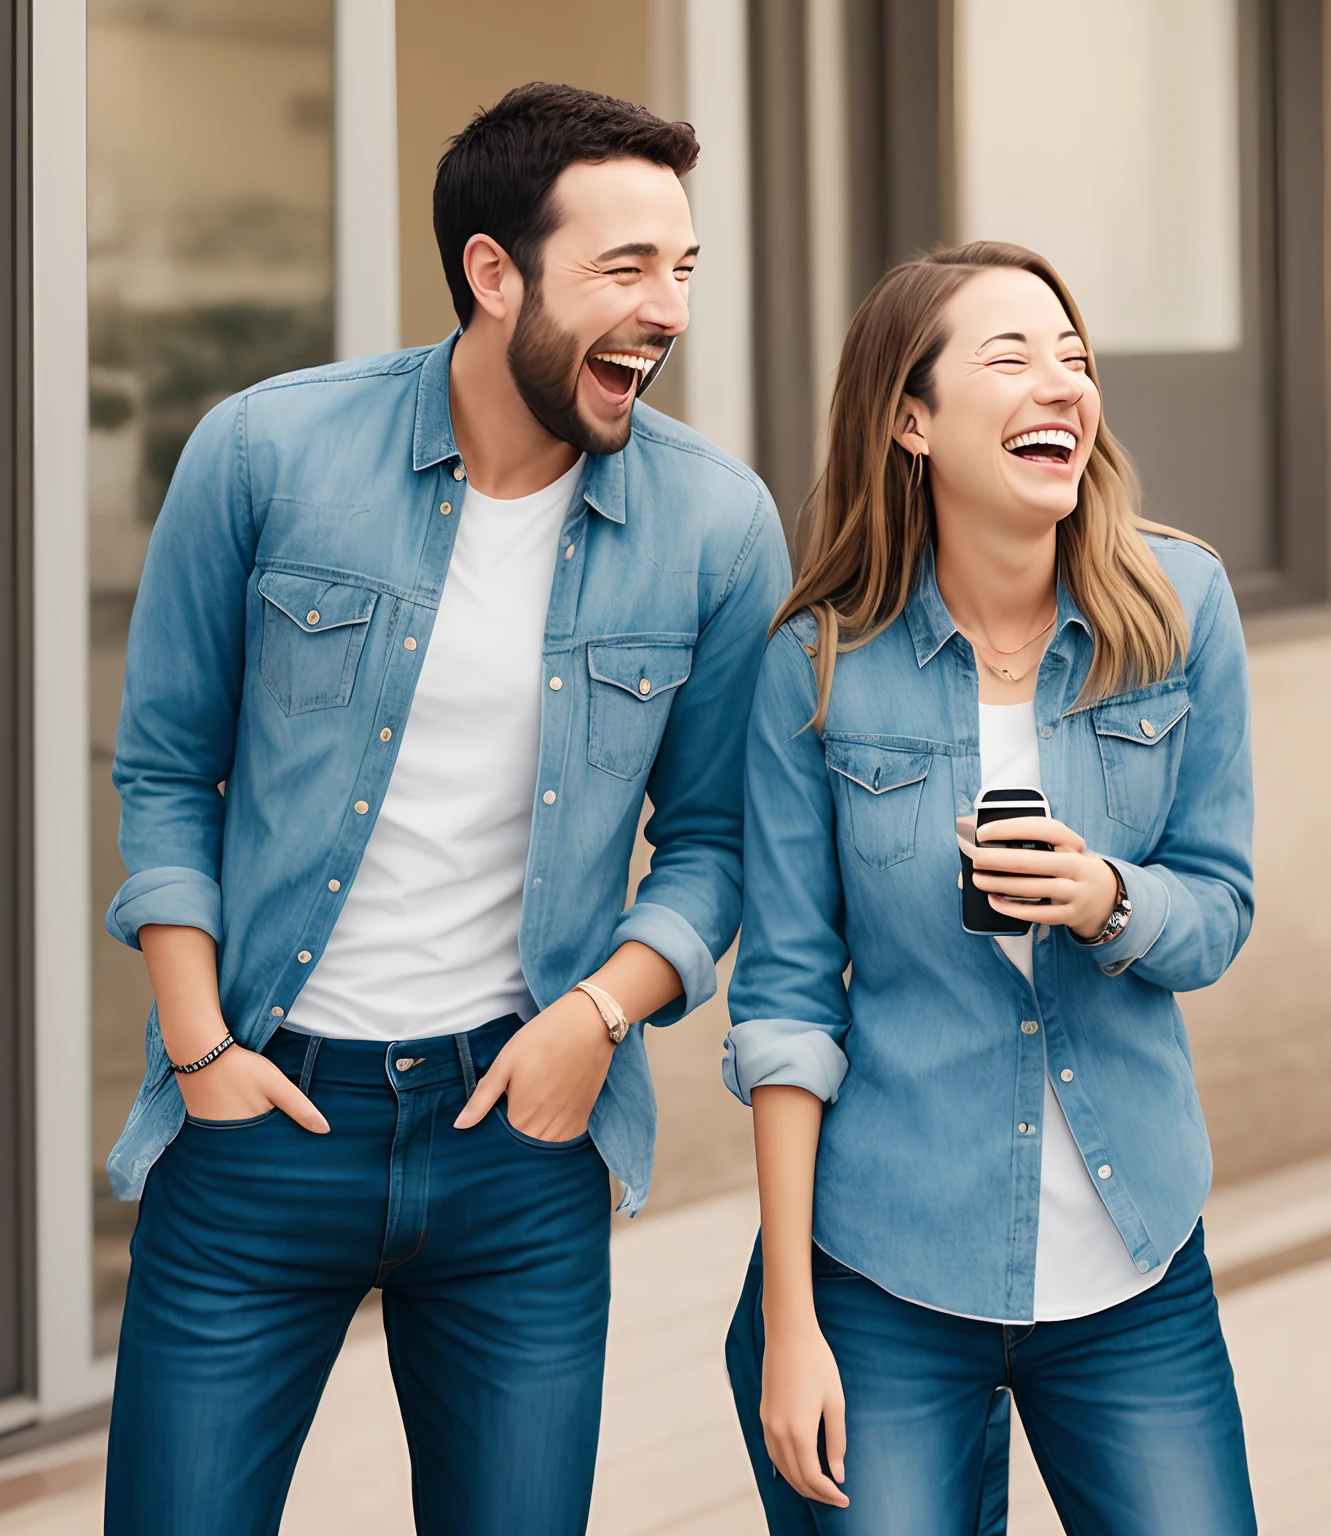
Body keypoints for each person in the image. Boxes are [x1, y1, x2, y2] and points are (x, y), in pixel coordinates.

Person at [101, 82, 787, 1535]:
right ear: (493, 273)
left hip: (520, 1135)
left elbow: (717, 842)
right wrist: (198, 1043)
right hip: (262, 1115)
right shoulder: (266, 454)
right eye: (624, 269)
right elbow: (166, 767)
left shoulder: (717, 524)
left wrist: (592, 1021)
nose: (666, 311)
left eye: (683, 269)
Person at [721, 241, 1258, 1534]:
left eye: (1074, 359)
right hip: (884, 1272)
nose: (1060, 384)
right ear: (912, 418)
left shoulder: (1181, 607)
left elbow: (1221, 907)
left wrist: (1107, 899)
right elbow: (788, 999)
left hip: (1132, 1268)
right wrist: (791, 1323)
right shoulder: (821, 664)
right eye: (1010, 357)